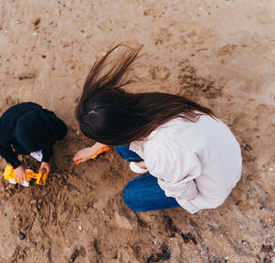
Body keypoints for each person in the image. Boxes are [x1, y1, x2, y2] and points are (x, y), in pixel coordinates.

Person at [73, 44, 242, 214]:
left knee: (132, 195)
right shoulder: (152, 104)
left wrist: (155, 167)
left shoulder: (162, 152)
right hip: (222, 149)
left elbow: (187, 192)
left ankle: (153, 172)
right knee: (125, 149)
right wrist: (96, 147)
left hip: (212, 185)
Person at [0, 102, 67, 185]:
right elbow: (1, 147)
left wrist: (45, 159)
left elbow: (50, 136)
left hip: (33, 109)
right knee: (21, 150)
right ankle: (32, 148)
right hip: (10, 120)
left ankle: (40, 143)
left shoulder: (45, 118)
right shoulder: (4, 133)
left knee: (56, 134)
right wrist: (16, 165)